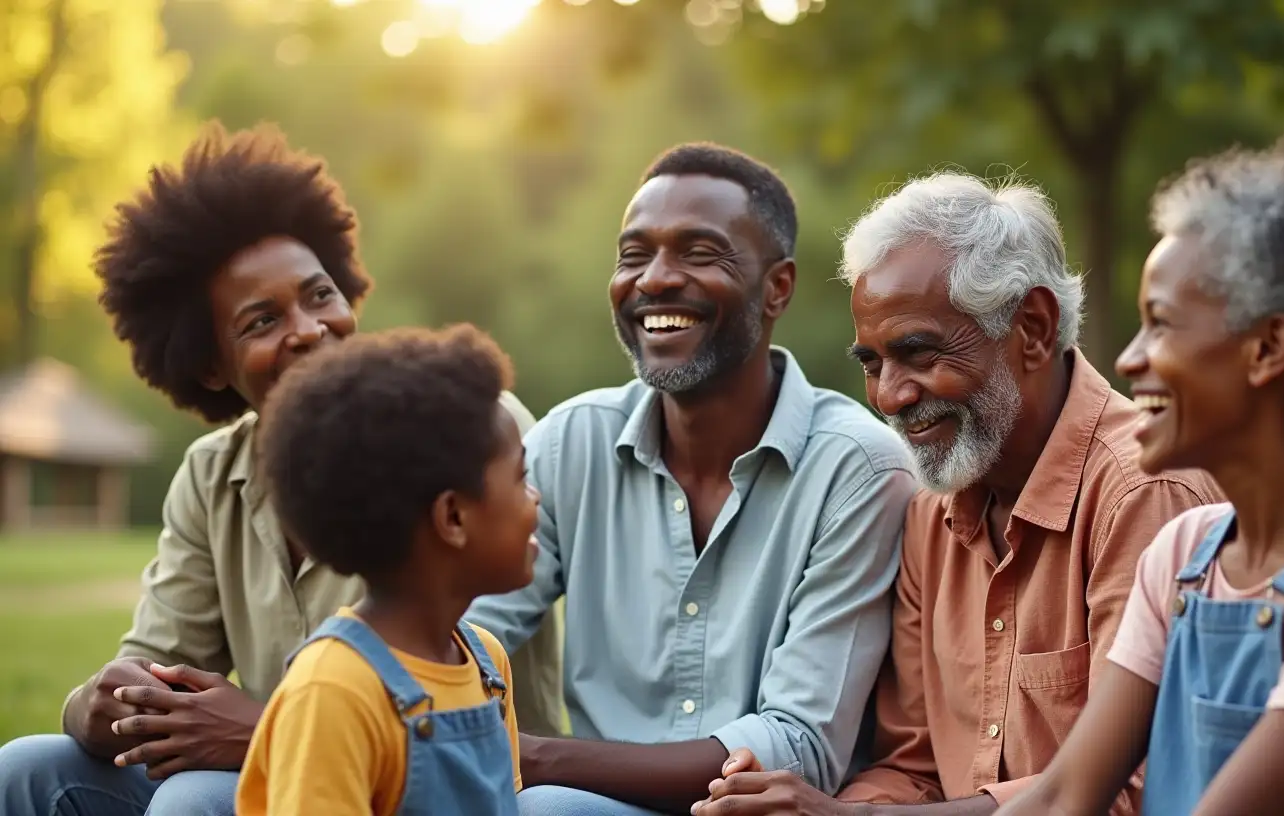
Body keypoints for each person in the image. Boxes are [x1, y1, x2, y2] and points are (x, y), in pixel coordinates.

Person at [0, 121, 561, 816]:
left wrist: (260, 724)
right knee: (28, 770)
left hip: (439, 775)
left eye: (319, 294)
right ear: (210, 365)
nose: (306, 327)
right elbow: (157, 666)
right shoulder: (212, 475)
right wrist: (98, 701)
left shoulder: (466, 423)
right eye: (261, 321)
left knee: (193, 800)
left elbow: (443, 684)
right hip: (291, 773)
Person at [694, 172, 1223, 816]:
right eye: (872, 363)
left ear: (1032, 327)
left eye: (918, 353)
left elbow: (1135, 790)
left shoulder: (1142, 493)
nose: (891, 395)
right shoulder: (929, 511)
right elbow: (911, 765)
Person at [996, 130, 1284, 815]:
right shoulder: (1184, 556)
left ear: (1267, 347)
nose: (1128, 359)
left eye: (1161, 323)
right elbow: (1064, 796)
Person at [466, 142, 917, 815]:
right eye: (633, 255)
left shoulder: (858, 468)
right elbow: (458, 632)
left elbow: (800, 744)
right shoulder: (571, 443)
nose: (654, 279)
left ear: (778, 288)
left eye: (699, 253)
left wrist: (533, 759)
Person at [235, 325, 534, 815]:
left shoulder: (487, 665)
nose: (536, 502)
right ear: (453, 517)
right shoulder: (331, 689)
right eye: (522, 479)